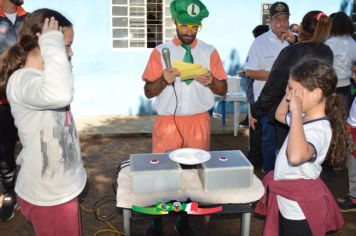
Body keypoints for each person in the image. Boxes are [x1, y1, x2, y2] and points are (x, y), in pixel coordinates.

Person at [142, 0, 227, 234]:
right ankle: (157, 221)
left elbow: (223, 89)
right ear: (175, 22)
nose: (189, 32)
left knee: (191, 177)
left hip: (199, 122)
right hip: (168, 123)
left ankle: (183, 221)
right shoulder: (160, 52)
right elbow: (149, 91)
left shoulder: (209, 51)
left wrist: (213, 81)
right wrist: (163, 80)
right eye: (185, 26)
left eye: (195, 27)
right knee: (161, 174)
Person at [3, 9, 86, 235]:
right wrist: (52, 44)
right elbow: (61, 94)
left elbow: (65, 88)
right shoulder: (22, 81)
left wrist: (57, 54)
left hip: (60, 191)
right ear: (44, 43)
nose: (70, 52)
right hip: (48, 197)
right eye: (66, 45)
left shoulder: (45, 77)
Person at [256, 59, 346, 236]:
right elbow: (280, 114)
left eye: (295, 91)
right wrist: (290, 93)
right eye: (289, 90)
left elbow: (296, 156)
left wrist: (296, 111)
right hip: (288, 200)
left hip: (300, 210)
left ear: (316, 94)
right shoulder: (304, 119)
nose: (290, 97)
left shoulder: (319, 129)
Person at [250, 11, 334, 167]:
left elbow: (274, 85)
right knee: (309, 154)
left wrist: (257, 110)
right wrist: (296, 40)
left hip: (288, 107)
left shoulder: (291, 51)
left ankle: (273, 178)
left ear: (301, 27)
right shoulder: (327, 52)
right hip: (314, 110)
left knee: (281, 151)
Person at [244, 1, 296, 173]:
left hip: (290, 98)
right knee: (269, 137)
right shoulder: (260, 42)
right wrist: (277, 78)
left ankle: (286, 172)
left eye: (285, 19)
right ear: (270, 22)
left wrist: (295, 42)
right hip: (267, 99)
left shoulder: (294, 41)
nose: (282, 23)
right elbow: (250, 71)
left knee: (290, 136)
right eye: (278, 19)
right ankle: (270, 172)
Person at [0, 0, 28, 221]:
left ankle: (33, 192)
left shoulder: (29, 19)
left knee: (36, 146)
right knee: (4, 151)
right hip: (2, 103)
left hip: (30, 100)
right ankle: (10, 192)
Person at [325, 12, 356, 112]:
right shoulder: (352, 42)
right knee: (343, 116)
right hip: (347, 86)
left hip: (331, 87)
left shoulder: (330, 42)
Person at [338, 66, 356, 212]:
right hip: (352, 131)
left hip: (355, 135)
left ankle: (354, 200)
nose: (352, 76)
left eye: (355, 73)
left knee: (353, 167)